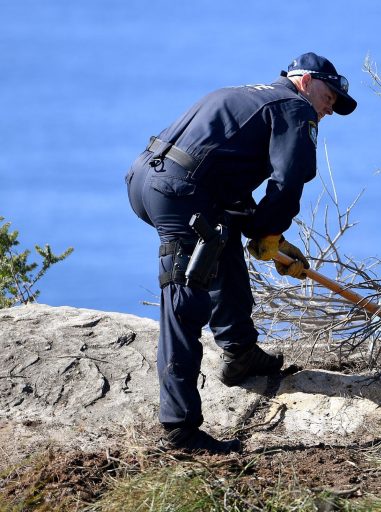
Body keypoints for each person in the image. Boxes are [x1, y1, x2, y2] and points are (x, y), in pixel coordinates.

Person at [125, 52, 357, 454]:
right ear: (303, 81)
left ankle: (240, 350)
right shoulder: (294, 107)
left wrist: (264, 234)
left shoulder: (248, 95)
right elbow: (290, 180)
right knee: (184, 298)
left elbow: (222, 174)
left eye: (335, 103)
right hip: (181, 193)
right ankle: (180, 430)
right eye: (329, 94)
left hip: (151, 181)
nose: (329, 106)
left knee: (222, 233)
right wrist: (270, 230)